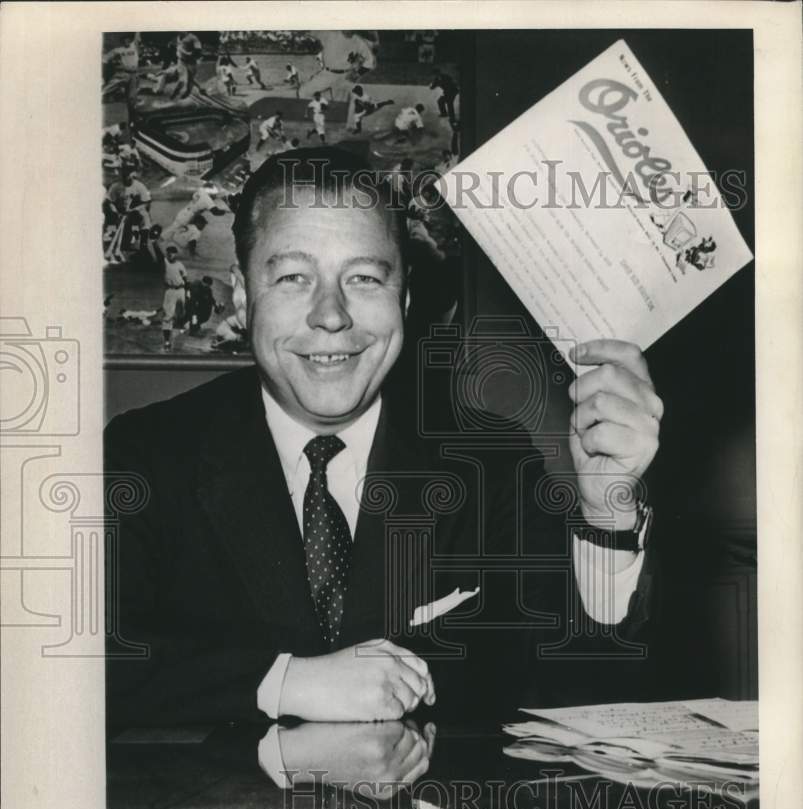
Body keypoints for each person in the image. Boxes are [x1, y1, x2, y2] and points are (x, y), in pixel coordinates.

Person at [106, 146, 661, 730]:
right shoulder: (144, 458)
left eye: (364, 278)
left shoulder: (489, 458)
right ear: (243, 299)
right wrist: (286, 682)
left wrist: (607, 516)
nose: (331, 315)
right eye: (294, 277)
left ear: (406, 299)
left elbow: (581, 693)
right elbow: (86, 672)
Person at [160, 245, 188, 351]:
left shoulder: (180, 265)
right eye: (168, 252)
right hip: (170, 291)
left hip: (181, 290)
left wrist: (188, 292)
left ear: (176, 254)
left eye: (172, 252)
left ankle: (180, 332)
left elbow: (186, 278)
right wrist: (154, 242)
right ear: (166, 254)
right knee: (168, 316)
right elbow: (159, 255)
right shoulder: (165, 262)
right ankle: (167, 341)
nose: (170, 254)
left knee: (182, 314)